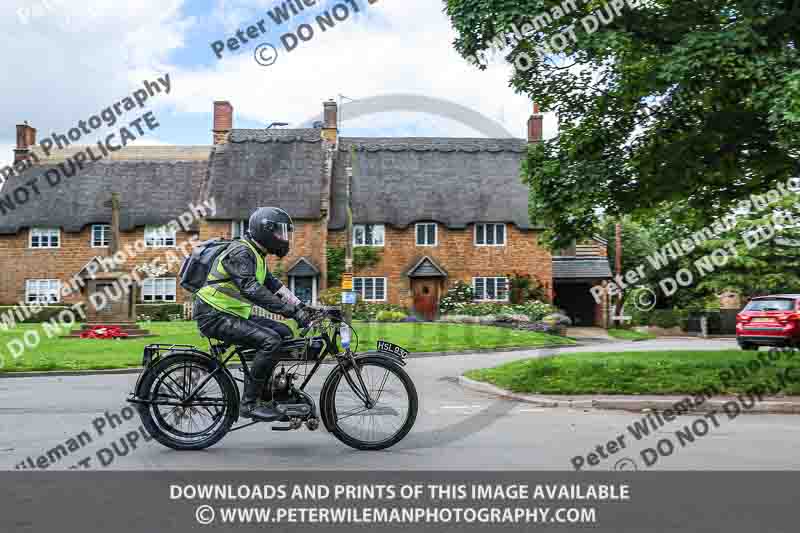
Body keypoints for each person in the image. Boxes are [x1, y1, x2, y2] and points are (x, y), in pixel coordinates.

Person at [193, 207, 313, 421]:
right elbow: (252, 289)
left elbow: (275, 286)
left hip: (230, 312)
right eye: (279, 232)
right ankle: (249, 403)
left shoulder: (256, 255)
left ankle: (266, 389)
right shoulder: (241, 252)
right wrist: (291, 312)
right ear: (264, 230)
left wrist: (302, 307)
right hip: (213, 313)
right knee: (270, 342)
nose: (283, 239)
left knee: (283, 333)